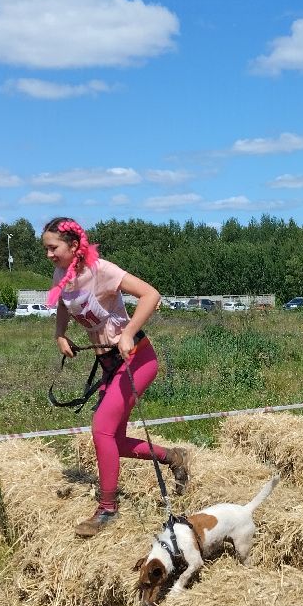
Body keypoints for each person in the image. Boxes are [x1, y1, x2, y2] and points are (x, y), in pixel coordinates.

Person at [42, 217, 189, 537]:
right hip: (108, 363)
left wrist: (129, 332)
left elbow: (151, 294)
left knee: (101, 430)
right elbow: (64, 303)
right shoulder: (62, 273)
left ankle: (107, 509)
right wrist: (60, 334)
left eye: (53, 248)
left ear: (73, 245)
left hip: (136, 357)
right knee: (114, 440)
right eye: (47, 249)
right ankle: (173, 457)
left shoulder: (102, 270)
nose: (49, 254)